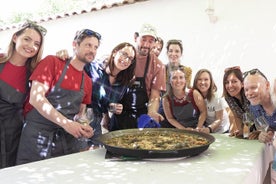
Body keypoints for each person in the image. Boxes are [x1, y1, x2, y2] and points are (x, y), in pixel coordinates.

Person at [16, 28, 97, 165]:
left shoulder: (87, 81)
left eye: (96, 47)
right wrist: (67, 123)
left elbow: (79, 114)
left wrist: (83, 126)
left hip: (65, 140)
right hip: (37, 136)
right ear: (74, 45)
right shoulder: (52, 62)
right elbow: (36, 98)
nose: (92, 50)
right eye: (88, 45)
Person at [0, 20, 46, 168]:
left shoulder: (35, 73)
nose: (31, 46)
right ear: (15, 38)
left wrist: (61, 55)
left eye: (37, 44)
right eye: (27, 39)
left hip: (15, 133)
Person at [110, 23, 166, 130]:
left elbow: (154, 96)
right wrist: (109, 110)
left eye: (150, 41)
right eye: (143, 39)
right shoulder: (123, 59)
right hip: (119, 115)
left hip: (142, 118)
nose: (146, 45)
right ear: (135, 38)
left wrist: (152, 112)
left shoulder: (158, 65)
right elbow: (107, 89)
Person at [84, 42, 136, 145]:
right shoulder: (93, 67)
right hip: (81, 118)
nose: (126, 60)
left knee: (96, 155)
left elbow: (105, 106)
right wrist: (64, 55)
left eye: (130, 58)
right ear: (114, 52)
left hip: (96, 124)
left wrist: (114, 108)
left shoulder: (124, 82)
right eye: (124, 54)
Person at [243, 68, 276, 183]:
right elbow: (268, 128)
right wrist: (265, 134)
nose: (249, 93)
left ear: (267, 85)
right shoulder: (254, 107)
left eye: (253, 87)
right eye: (246, 89)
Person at [159, 39, 192, 128]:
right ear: (167, 53)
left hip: (181, 108)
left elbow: (188, 88)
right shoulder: (161, 69)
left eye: (177, 51)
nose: (173, 54)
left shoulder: (187, 71)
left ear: (181, 53)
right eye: (170, 51)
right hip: (164, 106)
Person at [193, 69, 230, 133]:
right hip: (206, 129)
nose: (202, 82)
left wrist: (209, 129)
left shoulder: (217, 97)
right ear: (196, 81)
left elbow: (219, 119)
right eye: (199, 79)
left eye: (206, 79)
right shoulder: (194, 95)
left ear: (211, 81)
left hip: (222, 131)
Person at [222, 66, 250, 137]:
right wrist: (240, 131)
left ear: (242, 83)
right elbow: (237, 116)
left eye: (234, 81)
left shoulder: (249, 95)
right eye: (227, 82)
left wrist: (245, 132)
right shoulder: (228, 98)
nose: (230, 85)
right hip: (249, 133)